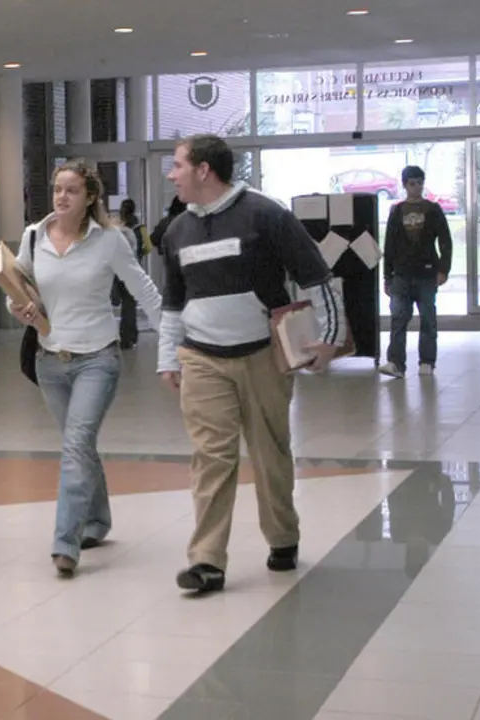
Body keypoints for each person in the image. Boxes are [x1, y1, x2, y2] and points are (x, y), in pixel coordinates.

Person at [158, 134, 346, 594]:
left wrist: (330, 337)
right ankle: (206, 561)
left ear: (204, 170)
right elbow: (173, 303)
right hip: (202, 357)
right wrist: (168, 357)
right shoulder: (176, 230)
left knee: (270, 451)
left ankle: (282, 536)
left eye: (178, 165)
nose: (171, 173)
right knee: (211, 457)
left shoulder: (266, 215)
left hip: (263, 354)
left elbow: (315, 277)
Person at [9, 161, 162, 576]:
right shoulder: (33, 235)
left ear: (90, 197)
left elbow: (143, 288)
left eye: (71, 190)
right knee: (80, 446)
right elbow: (17, 288)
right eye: (57, 189)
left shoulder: (110, 240)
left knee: (75, 447)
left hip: (97, 358)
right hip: (49, 361)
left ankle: (66, 543)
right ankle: (97, 520)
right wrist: (19, 308)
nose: (61, 197)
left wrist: (172, 341)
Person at [380, 165, 451, 378]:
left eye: (420, 182)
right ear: (405, 185)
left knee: (428, 318)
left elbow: (445, 240)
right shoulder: (397, 211)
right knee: (398, 318)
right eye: (412, 183)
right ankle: (395, 363)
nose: (417, 187)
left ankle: (427, 361)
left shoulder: (433, 210)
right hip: (401, 274)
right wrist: (387, 275)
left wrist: (443, 269)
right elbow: (389, 245)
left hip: (427, 273)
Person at [111, 199, 146, 348]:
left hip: (117, 271)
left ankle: (114, 336)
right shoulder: (140, 228)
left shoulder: (117, 228)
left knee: (113, 302)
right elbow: (148, 246)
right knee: (130, 304)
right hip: (133, 270)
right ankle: (129, 337)